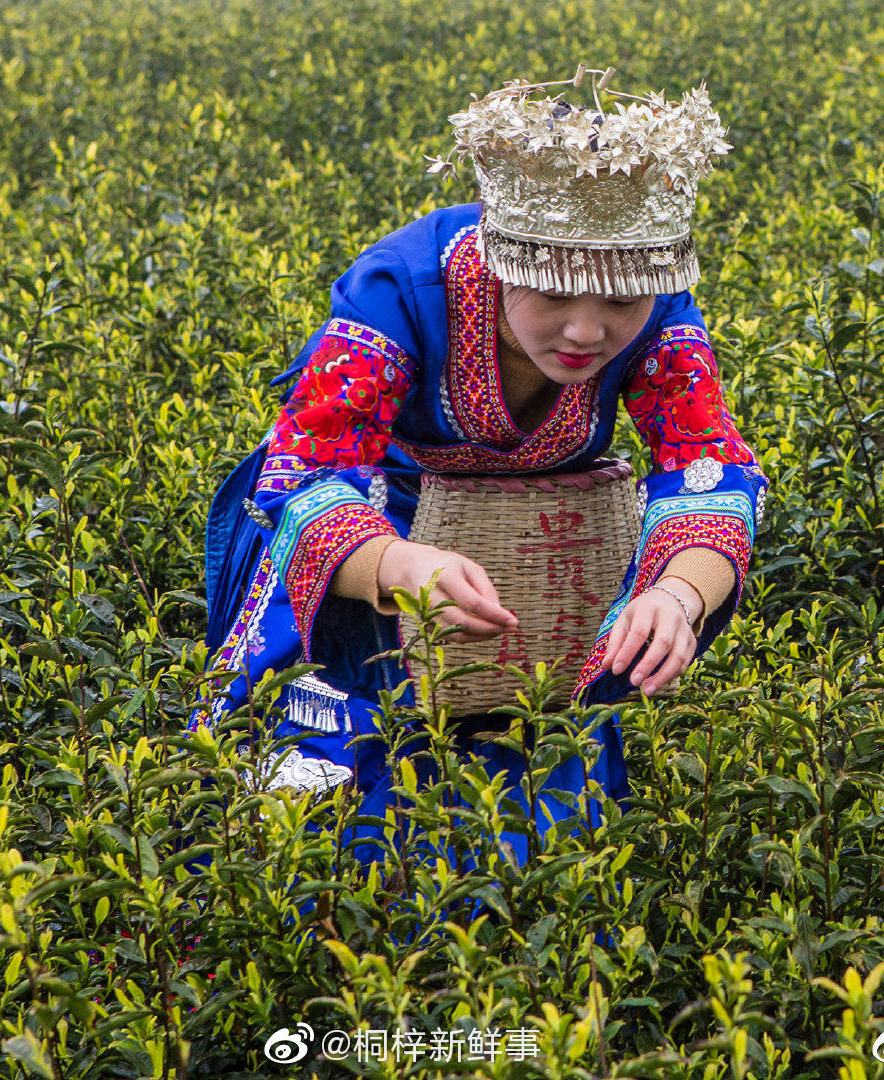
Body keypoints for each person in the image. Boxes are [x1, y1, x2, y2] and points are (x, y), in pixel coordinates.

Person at [190, 68, 768, 871]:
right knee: (332, 802)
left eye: (621, 306)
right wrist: (396, 565)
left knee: (539, 785)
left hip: (548, 553)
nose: (587, 329)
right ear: (500, 262)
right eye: (552, 292)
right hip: (364, 536)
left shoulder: (662, 303)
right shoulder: (402, 287)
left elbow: (705, 466)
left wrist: (677, 594)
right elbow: (304, 471)